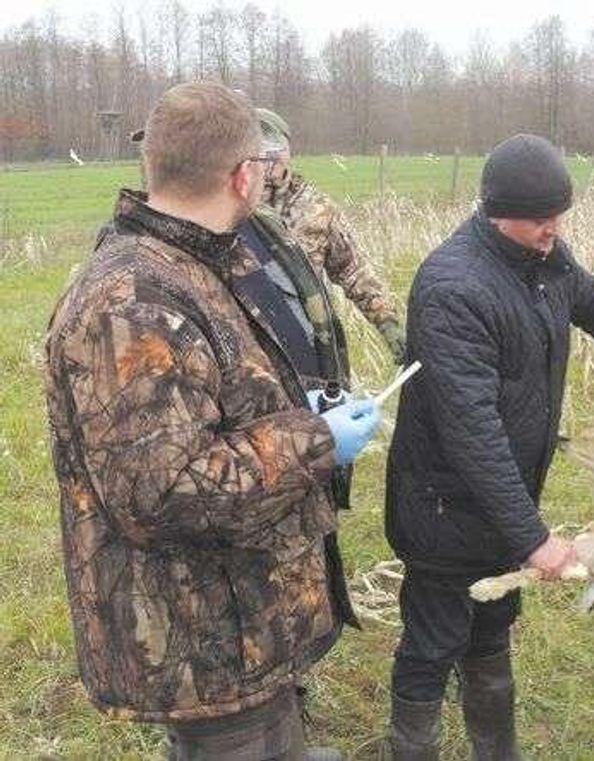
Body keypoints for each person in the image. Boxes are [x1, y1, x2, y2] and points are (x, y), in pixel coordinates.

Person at [44, 81, 382, 760]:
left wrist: (300, 409)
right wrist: (315, 440)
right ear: (242, 175)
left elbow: (222, 400)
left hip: (247, 613)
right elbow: (164, 492)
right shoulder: (132, 301)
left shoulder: (204, 258)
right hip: (202, 641)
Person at [383, 133, 594, 759]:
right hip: (444, 509)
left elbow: (592, 297)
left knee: (491, 631)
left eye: (559, 215)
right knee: (432, 645)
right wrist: (534, 538)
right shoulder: (453, 288)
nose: (553, 229)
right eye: (539, 218)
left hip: (502, 506)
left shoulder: (543, 256)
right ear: (496, 212)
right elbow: (472, 433)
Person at [256, 108, 407, 362]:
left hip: (308, 339)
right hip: (251, 344)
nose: (268, 158)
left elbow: (352, 269)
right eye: (259, 149)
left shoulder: (316, 208)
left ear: (288, 151)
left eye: (275, 148)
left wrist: (386, 322)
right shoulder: (225, 206)